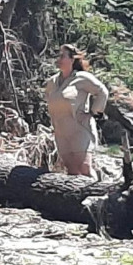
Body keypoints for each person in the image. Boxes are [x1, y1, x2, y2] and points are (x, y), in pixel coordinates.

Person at [44, 45, 109, 178]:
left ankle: (98, 195)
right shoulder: (53, 82)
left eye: (62, 56)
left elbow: (102, 92)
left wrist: (93, 113)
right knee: (72, 172)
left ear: (72, 59)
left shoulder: (82, 78)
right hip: (61, 133)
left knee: (84, 168)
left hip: (80, 130)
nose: (59, 59)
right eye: (58, 55)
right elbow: (49, 101)